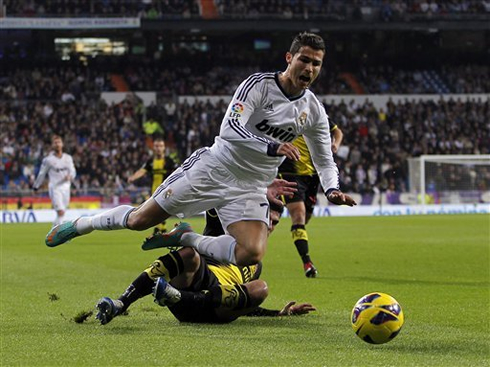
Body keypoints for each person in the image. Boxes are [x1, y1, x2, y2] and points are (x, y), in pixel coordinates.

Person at [46, 32, 356, 269]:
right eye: (304, 59)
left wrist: (332, 189)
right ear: (289, 58)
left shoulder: (313, 110)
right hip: (215, 168)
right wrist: (272, 145)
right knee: (140, 220)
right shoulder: (258, 86)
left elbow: (324, 158)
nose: (310, 67)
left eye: (316, 63)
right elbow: (229, 129)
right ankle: (79, 225)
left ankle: (185, 237)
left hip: (252, 186)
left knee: (251, 253)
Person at [95, 202, 316, 325]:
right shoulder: (222, 229)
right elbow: (218, 198)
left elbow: (244, 303)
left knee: (261, 287)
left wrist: (277, 313)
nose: (269, 225)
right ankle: (121, 303)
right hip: (191, 285)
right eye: (267, 219)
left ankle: (177, 296)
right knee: (190, 254)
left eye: (275, 222)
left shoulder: (255, 264)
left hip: (214, 311)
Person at [278, 114, 343, 278]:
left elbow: (338, 132)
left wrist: (335, 145)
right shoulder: (283, 115)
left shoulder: (315, 115)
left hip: (313, 176)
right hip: (289, 172)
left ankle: (284, 221)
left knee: (304, 220)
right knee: (298, 215)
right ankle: (307, 262)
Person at [127, 135, 178, 233]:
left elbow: (178, 171)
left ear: (164, 148)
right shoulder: (150, 162)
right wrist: (133, 177)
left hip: (167, 190)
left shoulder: (169, 161)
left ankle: (159, 229)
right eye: (156, 146)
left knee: (160, 210)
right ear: (153, 148)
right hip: (154, 190)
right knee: (157, 211)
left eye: (160, 146)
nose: (158, 148)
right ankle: (161, 229)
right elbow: (142, 171)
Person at [32, 135, 76, 227]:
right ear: (52, 145)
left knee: (62, 213)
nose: (57, 144)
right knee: (60, 212)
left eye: (59, 142)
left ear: (62, 144)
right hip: (55, 188)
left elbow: (73, 171)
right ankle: (61, 235)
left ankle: (52, 233)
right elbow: (41, 174)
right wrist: (36, 187)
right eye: (55, 143)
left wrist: (70, 176)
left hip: (66, 188)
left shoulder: (68, 158)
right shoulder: (48, 160)